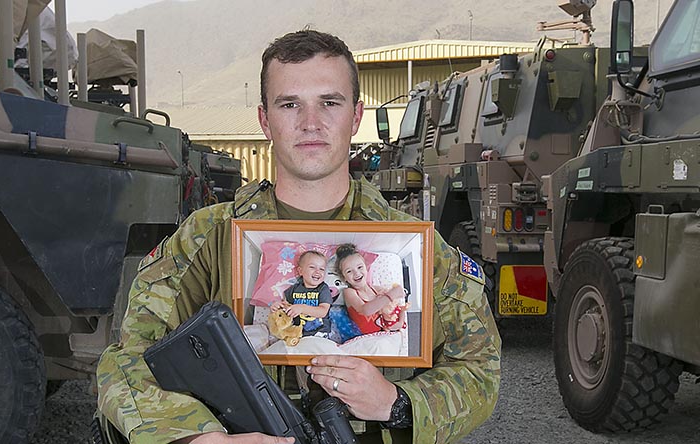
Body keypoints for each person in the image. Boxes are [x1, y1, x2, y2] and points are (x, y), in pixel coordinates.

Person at [96, 28, 501, 444]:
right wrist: (197, 438)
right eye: (290, 104)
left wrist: (397, 403)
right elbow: (127, 362)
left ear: (356, 117)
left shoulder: (413, 247)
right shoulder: (206, 239)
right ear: (264, 120)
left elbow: (480, 367)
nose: (311, 122)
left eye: (330, 102)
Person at [335, 243, 409, 334]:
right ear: (344, 278)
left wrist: (400, 321)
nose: (356, 273)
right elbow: (365, 310)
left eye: (359, 267)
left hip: (382, 335)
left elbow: (394, 310)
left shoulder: (377, 289)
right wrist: (390, 295)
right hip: (364, 339)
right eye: (349, 271)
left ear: (366, 268)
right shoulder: (349, 292)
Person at [271, 250, 333, 339]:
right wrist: (277, 307)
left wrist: (302, 308)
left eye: (322, 269)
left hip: (319, 333)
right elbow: (286, 308)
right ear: (300, 271)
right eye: (312, 267)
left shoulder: (323, 288)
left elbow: (323, 312)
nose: (317, 272)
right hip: (295, 333)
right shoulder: (293, 289)